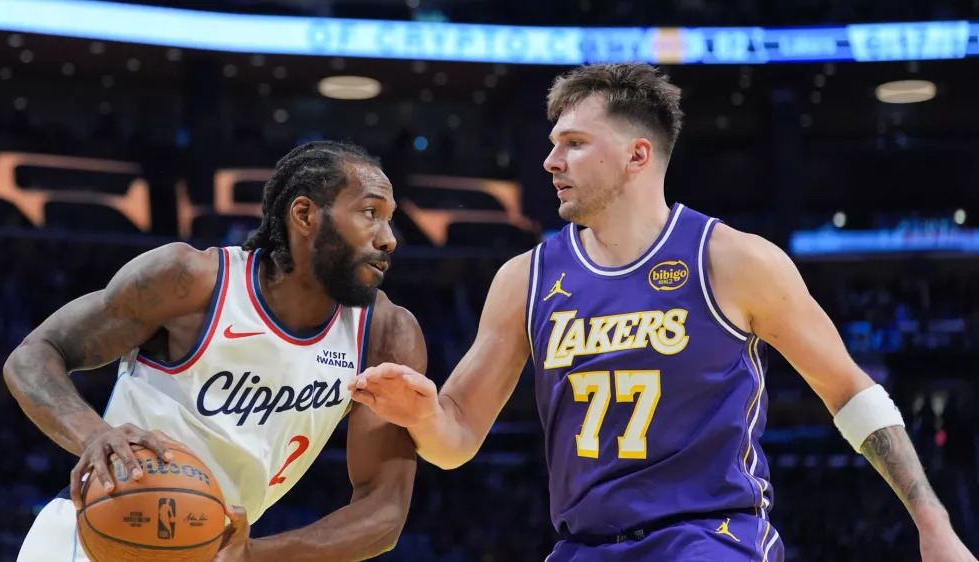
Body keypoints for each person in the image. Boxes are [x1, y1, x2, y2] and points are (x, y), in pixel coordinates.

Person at [349, 63, 977, 562]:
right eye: (552, 144)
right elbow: (455, 440)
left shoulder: (732, 260)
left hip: (711, 539)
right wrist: (427, 414)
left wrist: (935, 526)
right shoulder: (526, 278)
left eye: (573, 143)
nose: (550, 162)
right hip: (581, 546)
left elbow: (852, 394)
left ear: (637, 156)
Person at [6, 141, 427, 561]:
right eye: (370, 213)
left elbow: (384, 512)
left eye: (389, 220)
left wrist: (252, 556)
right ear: (304, 215)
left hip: (209, 550)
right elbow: (34, 355)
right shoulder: (190, 281)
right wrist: (94, 436)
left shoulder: (385, 335)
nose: (388, 239)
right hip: (92, 536)